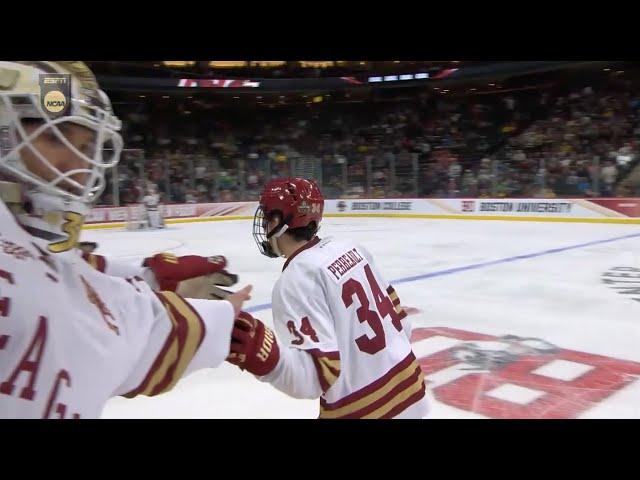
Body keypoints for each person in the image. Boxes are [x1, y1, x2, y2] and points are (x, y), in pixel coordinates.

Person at [0, 61, 251, 418]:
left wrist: (151, 279)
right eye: (54, 137)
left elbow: (78, 296)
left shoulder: (48, 253)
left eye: (87, 147)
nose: (79, 164)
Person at [226, 178, 429, 419]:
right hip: (414, 392)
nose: (265, 223)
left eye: (268, 217)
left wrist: (262, 354)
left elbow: (315, 377)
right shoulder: (352, 248)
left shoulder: (296, 279)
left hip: (365, 410)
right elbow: (402, 324)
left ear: (279, 222)